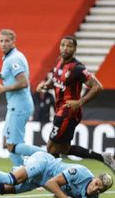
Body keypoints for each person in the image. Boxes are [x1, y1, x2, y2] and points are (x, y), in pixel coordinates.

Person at [36, 36, 114, 171]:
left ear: (75, 49)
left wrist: (80, 102)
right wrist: (45, 85)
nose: (65, 48)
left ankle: (54, 179)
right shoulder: (58, 61)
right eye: (63, 45)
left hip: (68, 112)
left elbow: (98, 87)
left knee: (51, 147)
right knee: (64, 148)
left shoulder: (77, 68)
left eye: (69, 46)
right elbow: (55, 80)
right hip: (60, 110)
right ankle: (103, 157)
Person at [0, 151, 112, 198]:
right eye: (97, 183)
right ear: (94, 178)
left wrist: (59, 196)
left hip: (39, 179)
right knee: (12, 179)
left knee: (3, 189)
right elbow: (52, 182)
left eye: (100, 189)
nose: (95, 188)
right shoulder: (81, 172)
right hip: (43, 163)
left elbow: (63, 189)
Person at [0, 29, 42, 167]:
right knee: (8, 142)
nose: (3, 44)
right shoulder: (10, 57)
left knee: (12, 144)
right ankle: (22, 170)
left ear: (14, 42)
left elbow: (23, 82)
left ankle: (45, 156)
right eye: (1, 41)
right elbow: (8, 76)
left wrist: (3, 88)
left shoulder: (14, 59)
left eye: (7, 41)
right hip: (15, 106)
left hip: (20, 106)